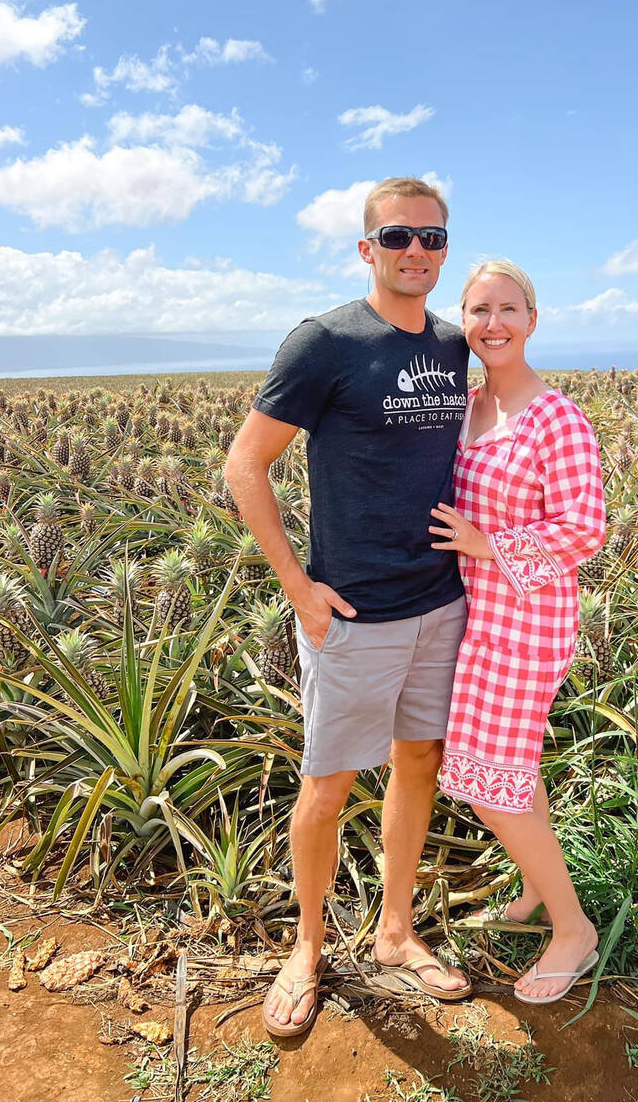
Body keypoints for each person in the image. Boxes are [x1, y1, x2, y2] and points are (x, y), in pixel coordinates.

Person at [225, 177, 473, 1039]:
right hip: (354, 614)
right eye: (399, 237)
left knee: (418, 763)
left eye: (433, 239)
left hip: (441, 604)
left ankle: (396, 931)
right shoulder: (324, 341)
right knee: (327, 787)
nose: (417, 252)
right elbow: (243, 465)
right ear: (367, 248)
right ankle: (307, 946)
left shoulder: (451, 344)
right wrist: (299, 587)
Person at [428, 259, 606, 1004]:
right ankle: (538, 890)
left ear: (532, 320)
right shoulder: (467, 407)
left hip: (525, 623)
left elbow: (586, 529)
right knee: (511, 773)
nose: (492, 323)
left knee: (492, 788)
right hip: (479, 618)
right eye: (477, 310)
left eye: (507, 308)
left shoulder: (554, 416)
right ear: (462, 323)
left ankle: (575, 930)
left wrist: (487, 544)